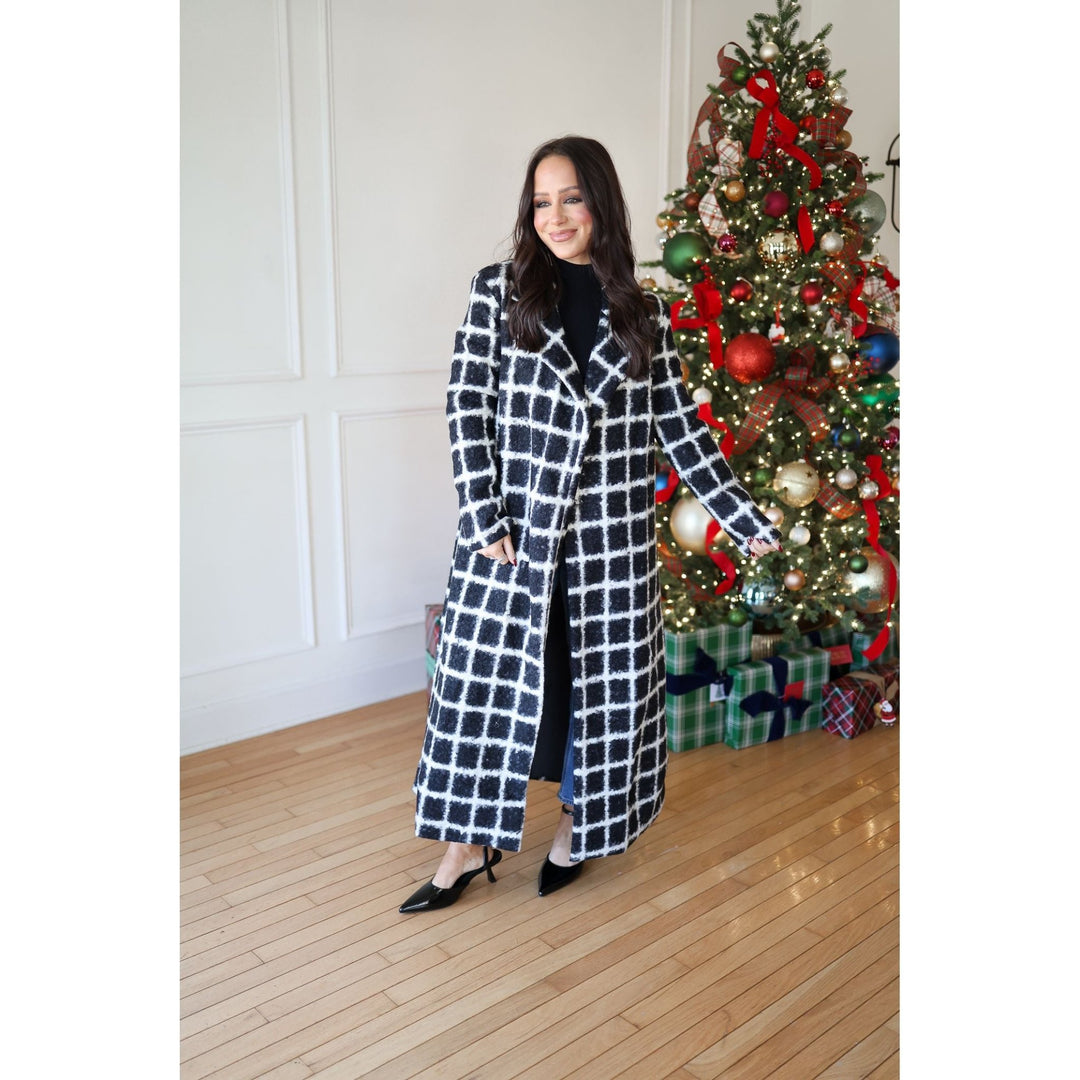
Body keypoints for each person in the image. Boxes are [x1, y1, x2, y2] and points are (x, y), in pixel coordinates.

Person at [399, 136, 781, 914]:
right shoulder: (497, 292)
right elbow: (466, 404)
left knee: (592, 698)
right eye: (541, 201)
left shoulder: (644, 313)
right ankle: (464, 848)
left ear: (600, 203)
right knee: (485, 691)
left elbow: (681, 430)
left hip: (608, 548)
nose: (555, 216)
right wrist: (483, 515)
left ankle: (582, 824)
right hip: (511, 540)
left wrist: (744, 521)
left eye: (571, 198)